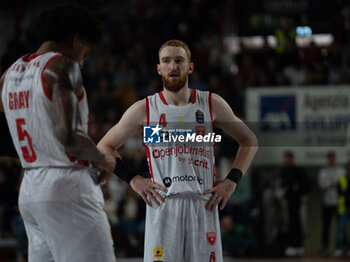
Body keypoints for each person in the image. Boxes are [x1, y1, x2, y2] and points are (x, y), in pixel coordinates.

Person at [97, 39, 258, 262]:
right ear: (159, 68)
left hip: (203, 204)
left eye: (179, 61)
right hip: (163, 205)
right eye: (167, 61)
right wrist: (133, 179)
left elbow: (249, 141)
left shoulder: (212, 104)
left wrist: (232, 180)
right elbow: (104, 146)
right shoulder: (144, 108)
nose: (173, 67)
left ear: (190, 66)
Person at [0, 4, 116, 262]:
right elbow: (69, 137)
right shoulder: (62, 66)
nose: (83, 61)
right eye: (85, 51)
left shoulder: (9, 74)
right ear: (75, 38)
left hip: (31, 189)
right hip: (67, 186)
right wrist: (103, 159)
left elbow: (3, 137)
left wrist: (33, 158)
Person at [279, 151, 309, 256]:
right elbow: (282, 184)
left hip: (297, 199)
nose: (286, 160)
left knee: (298, 222)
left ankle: (299, 245)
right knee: (290, 222)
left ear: (291, 159)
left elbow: (305, 182)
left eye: (287, 158)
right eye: (285, 158)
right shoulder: (284, 171)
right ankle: (292, 244)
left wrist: (304, 193)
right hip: (288, 199)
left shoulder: (298, 170)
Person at [318, 152, 345, 255]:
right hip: (327, 202)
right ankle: (325, 247)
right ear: (328, 159)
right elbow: (321, 184)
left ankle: (342, 246)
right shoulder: (323, 171)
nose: (331, 160)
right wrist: (332, 184)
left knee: (341, 225)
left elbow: (343, 183)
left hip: (339, 202)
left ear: (335, 158)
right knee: (326, 225)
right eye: (329, 158)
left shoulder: (341, 170)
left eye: (333, 158)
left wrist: (333, 185)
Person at [334, 161, 350, 257]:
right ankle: (338, 248)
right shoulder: (342, 179)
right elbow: (340, 192)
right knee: (341, 228)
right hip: (344, 207)